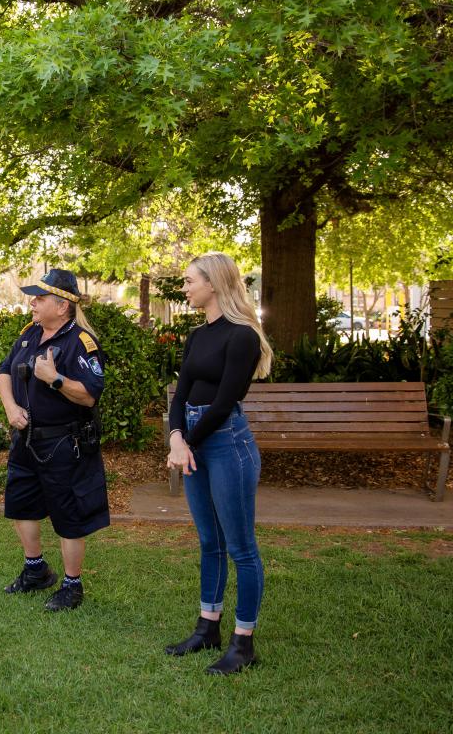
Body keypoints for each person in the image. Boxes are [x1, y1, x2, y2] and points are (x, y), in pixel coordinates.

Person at [164, 252, 273, 675]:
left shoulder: (242, 336)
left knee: (241, 548)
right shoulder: (197, 334)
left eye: (190, 281)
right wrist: (177, 437)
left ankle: (243, 643)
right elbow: (182, 391)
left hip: (227, 443)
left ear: (214, 284)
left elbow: (225, 401)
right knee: (210, 542)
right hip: (193, 442)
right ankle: (207, 627)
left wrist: (185, 443)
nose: (185, 287)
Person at [0, 269, 110, 611]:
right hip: (26, 439)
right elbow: (4, 372)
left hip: (64, 444)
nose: (33, 302)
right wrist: (11, 407)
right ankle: (36, 571)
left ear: (62, 306)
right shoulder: (30, 334)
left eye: (40, 298)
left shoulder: (81, 342)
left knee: (68, 514)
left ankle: (72, 585)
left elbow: (90, 395)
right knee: (21, 504)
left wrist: (55, 378)